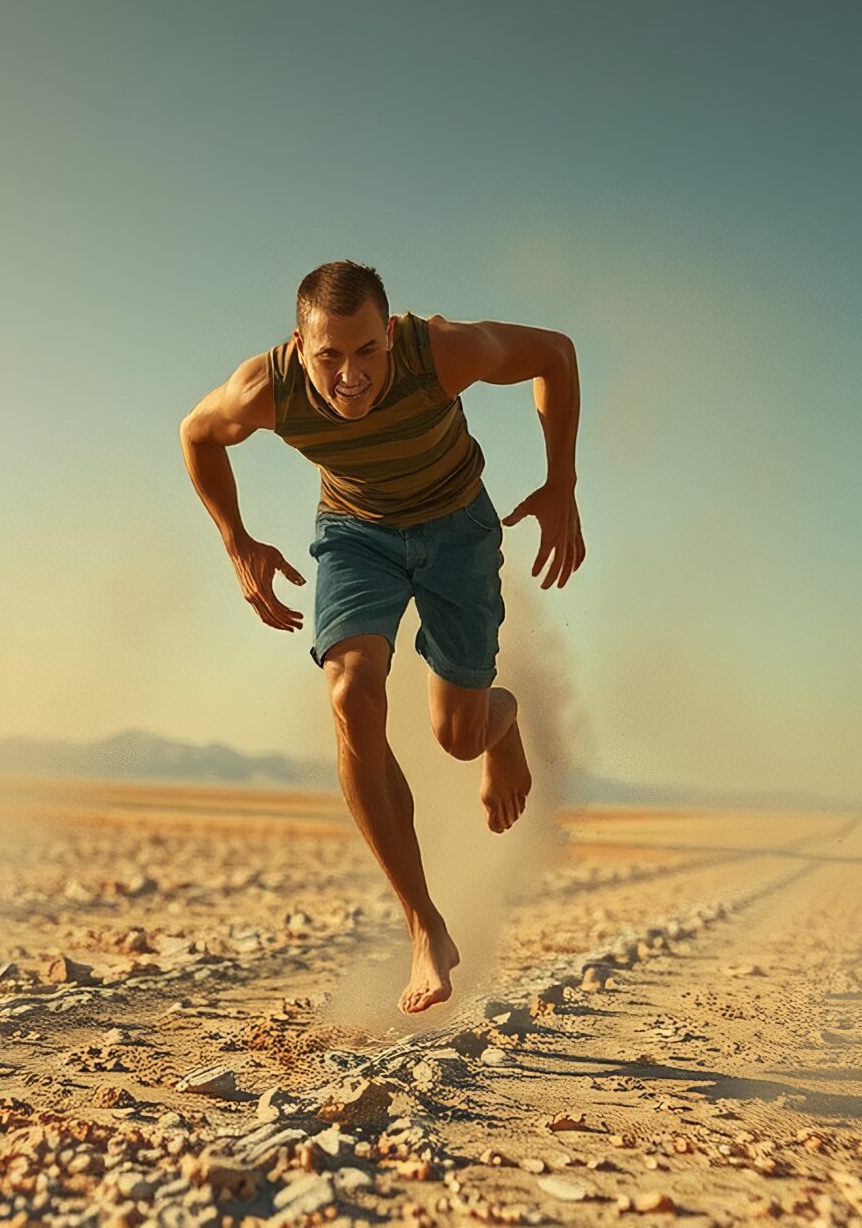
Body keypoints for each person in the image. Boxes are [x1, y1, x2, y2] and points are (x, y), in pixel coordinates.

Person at [178, 260, 585, 1013]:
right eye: (330, 356)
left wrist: (562, 483)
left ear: (389, 335)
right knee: (351, 693)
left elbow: (554, 353)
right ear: (300, 345)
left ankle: (503, 725)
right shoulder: (263, 390)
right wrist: (238, 542)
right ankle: (424, 924)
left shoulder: (442, 351)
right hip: (355, 535)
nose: (352, 375)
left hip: (457, 531)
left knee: (456, 737)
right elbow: (197, 434)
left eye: (367, 351)